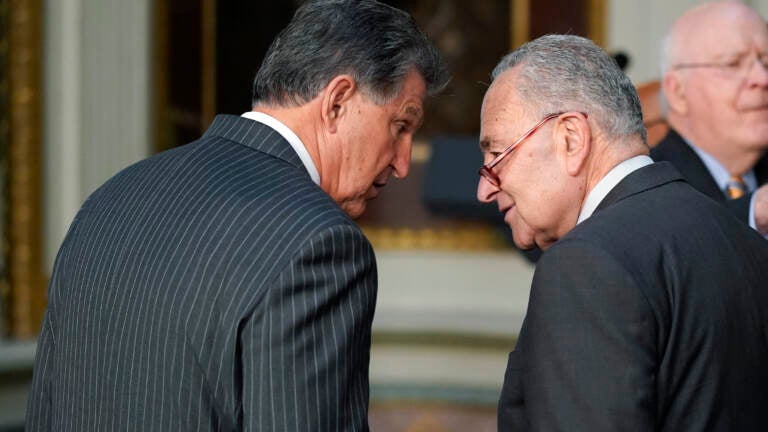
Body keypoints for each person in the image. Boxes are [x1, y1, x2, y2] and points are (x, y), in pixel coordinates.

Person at [25, 1, 449, 430]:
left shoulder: (110, 200)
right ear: (338, 101)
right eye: (400, 125)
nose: (402, 163)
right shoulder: (319, 244)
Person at [477, 34, 768, 431]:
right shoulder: (745, 240)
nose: (485, 188)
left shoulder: (586, 262)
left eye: (496, 155)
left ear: (571, 138)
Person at [652, 1, 768, 236]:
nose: (762, 78)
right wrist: (752, 213)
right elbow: (667, 244)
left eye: (766, 62)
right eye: (732, 63)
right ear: (678, 92)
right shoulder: (647, 184)